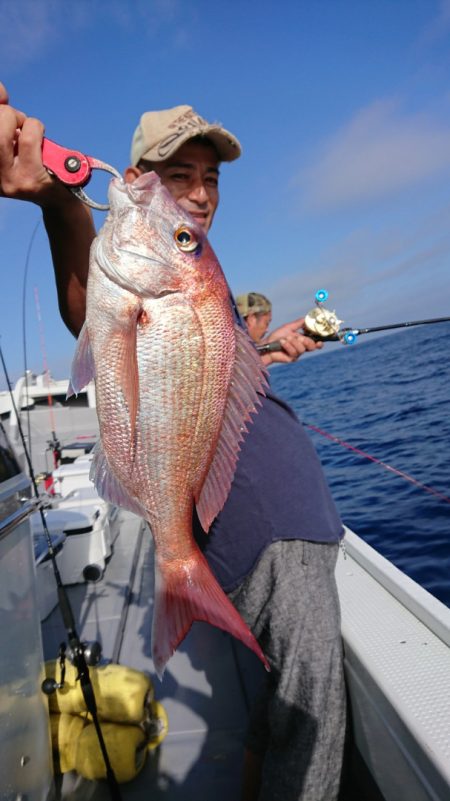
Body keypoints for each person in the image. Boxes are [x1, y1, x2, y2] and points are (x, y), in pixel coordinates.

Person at [0, 87, 346, 801]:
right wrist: (61, 202)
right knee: (311, 718)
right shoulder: (153, 264)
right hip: (270, 533)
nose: (201, 193)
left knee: (279, 709)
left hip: (290, 521)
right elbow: (91, 312)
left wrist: (269, 347)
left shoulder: (191, 270)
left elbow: (205, 359)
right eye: (180, 174)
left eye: (211, 177)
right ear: (137, 179)